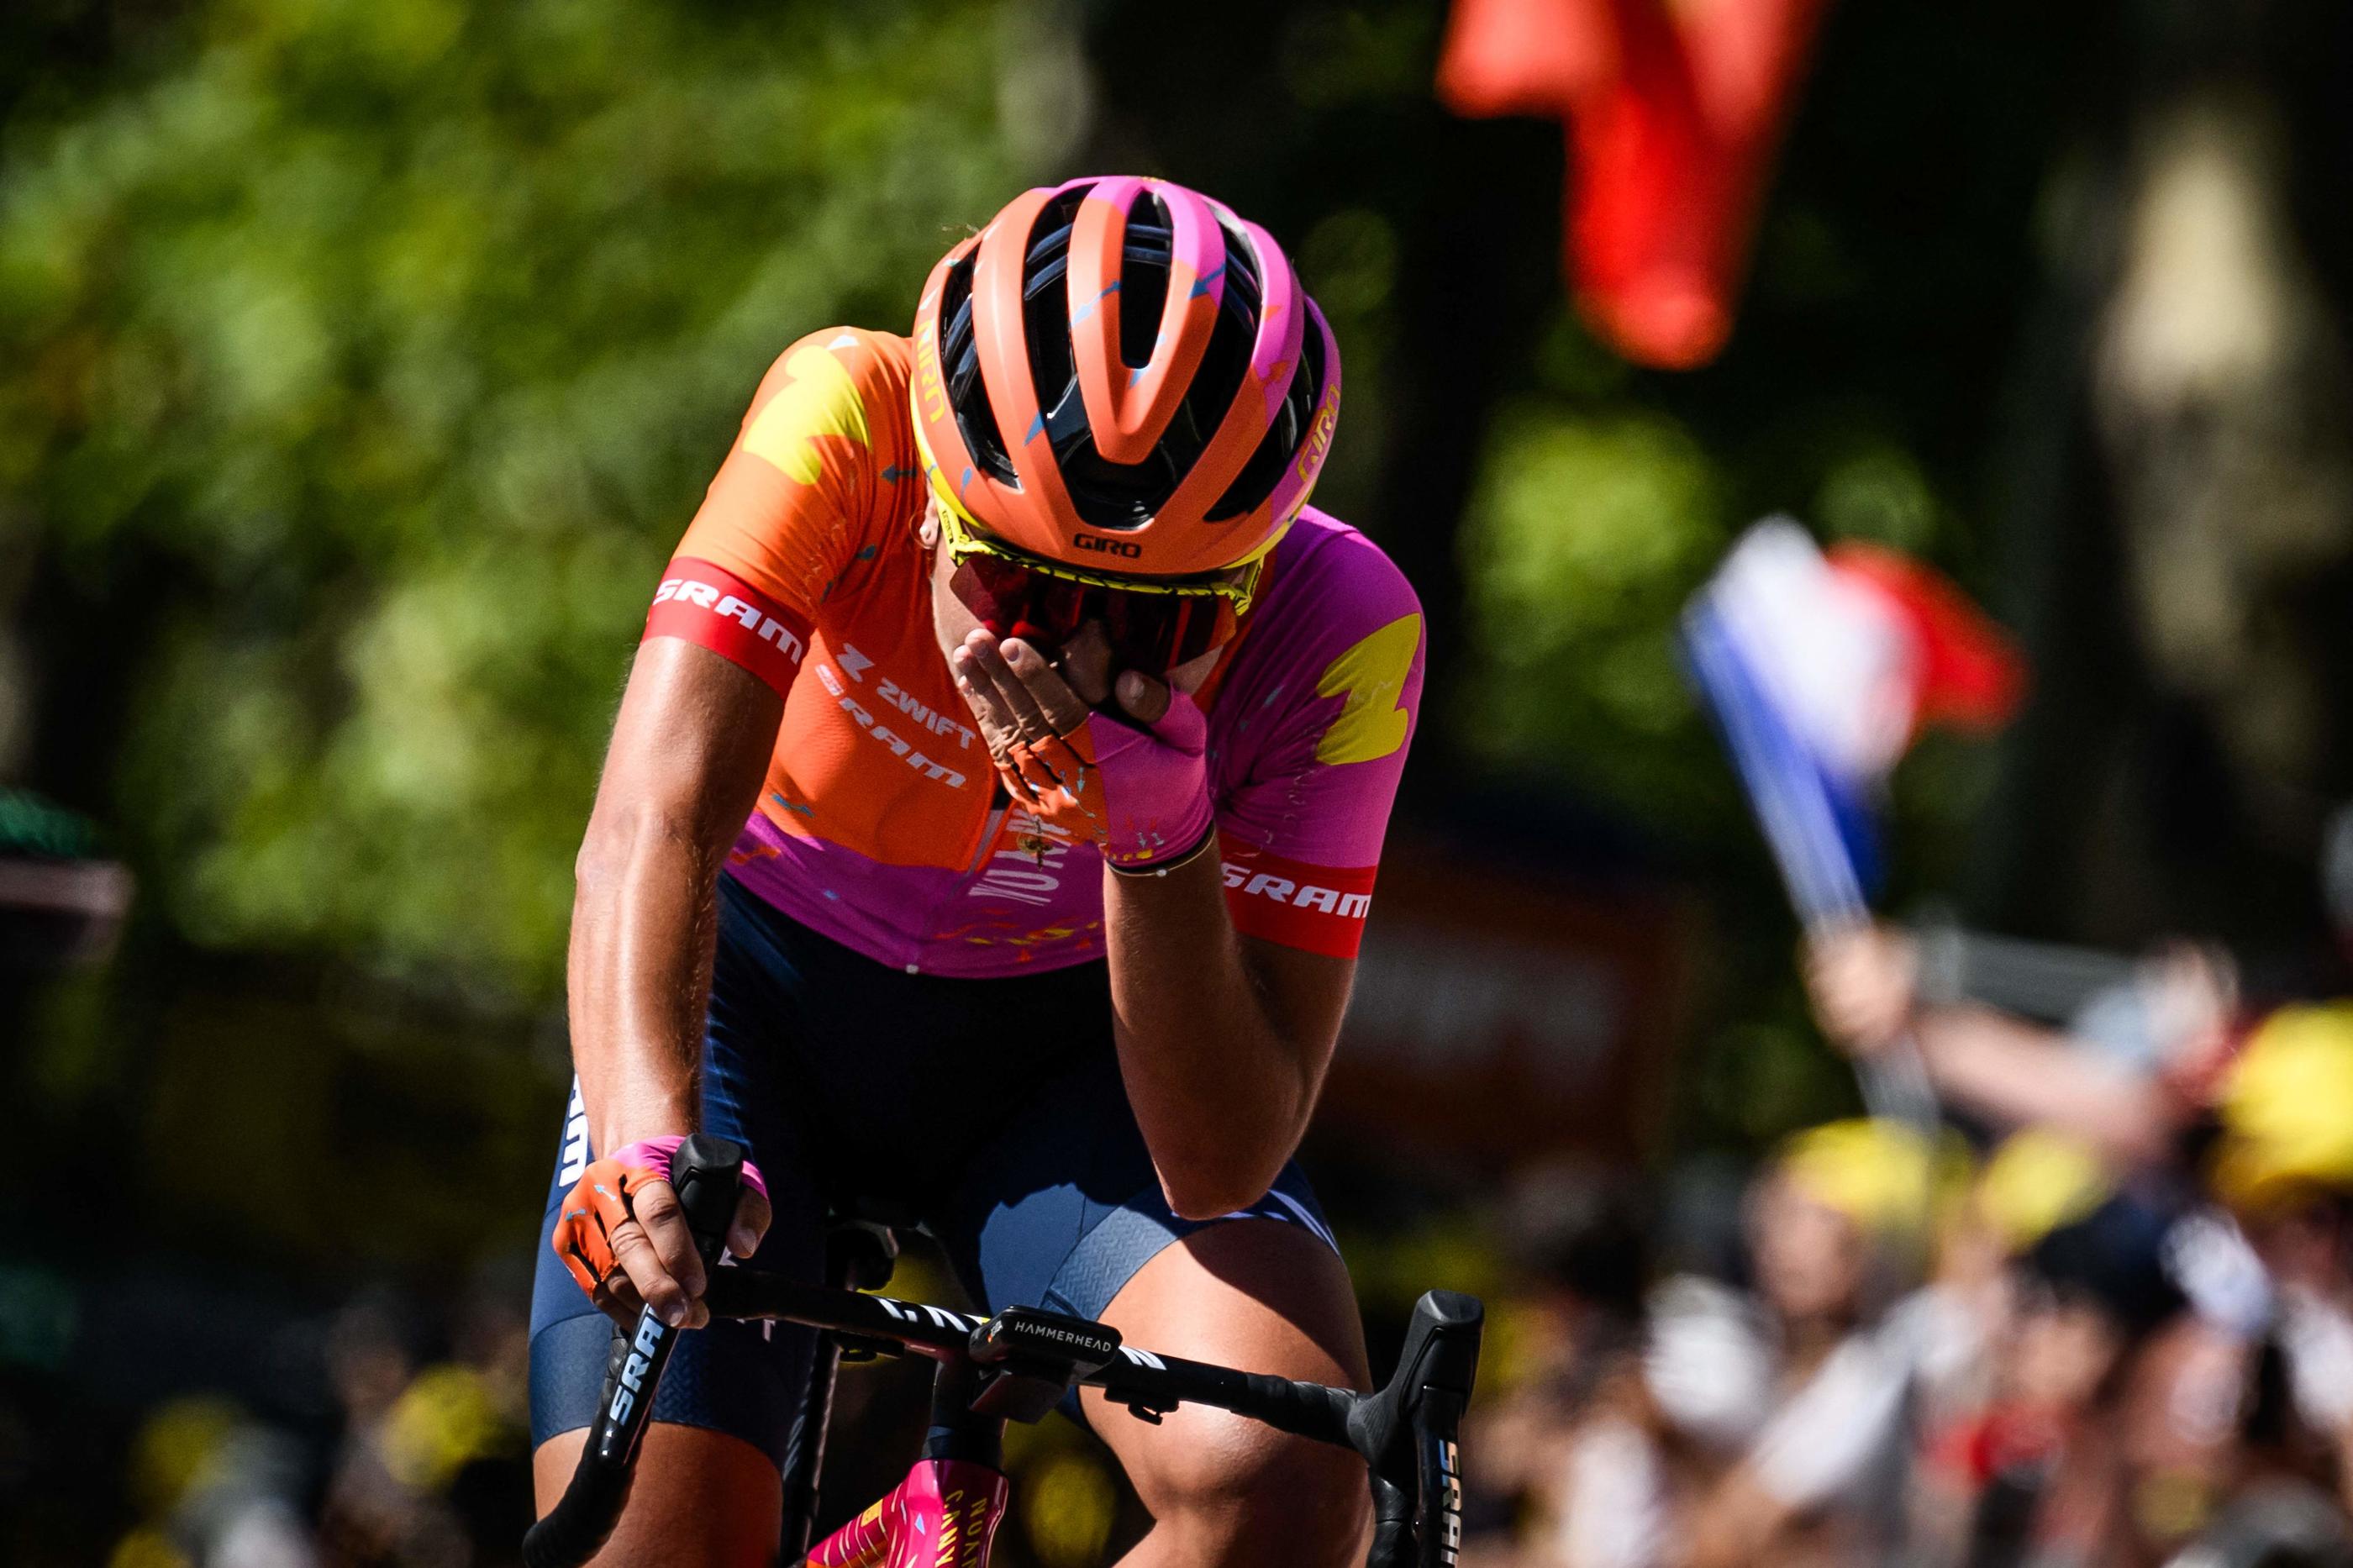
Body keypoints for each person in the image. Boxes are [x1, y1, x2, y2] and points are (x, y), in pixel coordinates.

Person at [525, 176, 1424, 1566]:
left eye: (1153, 609)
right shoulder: (845, 414)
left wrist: (1159, 831)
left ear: (1251, 573)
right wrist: (647, 1136)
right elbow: (652, 819)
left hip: (1061, 1066)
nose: (1069, 648)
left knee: (1290, 1474)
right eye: (1018, 583)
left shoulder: (1343, 623)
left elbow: (1221, 1150)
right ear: (937, 500)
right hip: (752, 1007)